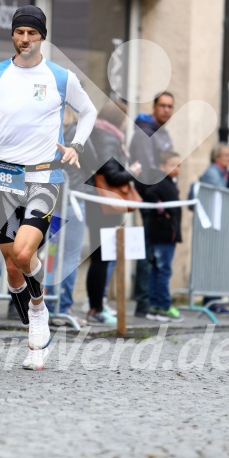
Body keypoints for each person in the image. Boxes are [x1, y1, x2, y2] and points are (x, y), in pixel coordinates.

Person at [0, 5, 97, 370]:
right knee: (11, 265)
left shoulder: (60, 77)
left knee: (24, 254)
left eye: (31, 33)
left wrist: (77, 145)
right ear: (12, 35)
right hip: (5, 176)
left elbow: (89, 112)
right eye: (19, 32)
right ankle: (35, 344)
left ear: (42, 36)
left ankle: (38, 310)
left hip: (43, 176)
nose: (24, 39)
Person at [86, 100, 142, 324]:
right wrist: (133, 172)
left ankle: (97, 307)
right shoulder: (107, 137)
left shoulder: (102, 134)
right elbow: (111, 175)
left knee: (102, 257)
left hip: (102, 206)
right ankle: (96, 308)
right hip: (104, 207)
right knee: (101, 257)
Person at [44, 106, 98, 326]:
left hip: (50, 200)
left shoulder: (49, 130)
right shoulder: (78, 132)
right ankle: (63, 307)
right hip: (72, 200)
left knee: (50, 255)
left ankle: (46, 305)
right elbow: (94, 162)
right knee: (70, 256)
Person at [129, 91, 174, 318]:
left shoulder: (163, 133)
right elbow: (148, 170)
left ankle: (155, 302)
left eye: (170, 106)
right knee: (146, 252)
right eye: (163, 106)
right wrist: (156, 199)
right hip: (149, 200)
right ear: (154, 107)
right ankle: (143, 304)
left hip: (160, 200)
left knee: (155, 253)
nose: (166, 110)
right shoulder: (145, 132)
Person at [146, 150, 183, 322]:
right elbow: (150, 196)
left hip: (167, 234)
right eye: (172, 165)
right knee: (163, 270)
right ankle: (163, 306)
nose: (177, 168)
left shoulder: (169, 182)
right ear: (162, 167)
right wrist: (162, 212)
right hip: (163, 234)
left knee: (158, 270)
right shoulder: (162, 182)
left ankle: (154, 306)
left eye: (179, 164)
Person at [198, 142, 229, 313]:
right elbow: (220, 195)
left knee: (217, 262)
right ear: (216, 157)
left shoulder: (222, 173)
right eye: (226, 155)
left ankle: (214, 299)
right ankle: (211, 300)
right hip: (212, 226)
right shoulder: (212, 173)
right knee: (212, 262)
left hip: (218, 225)